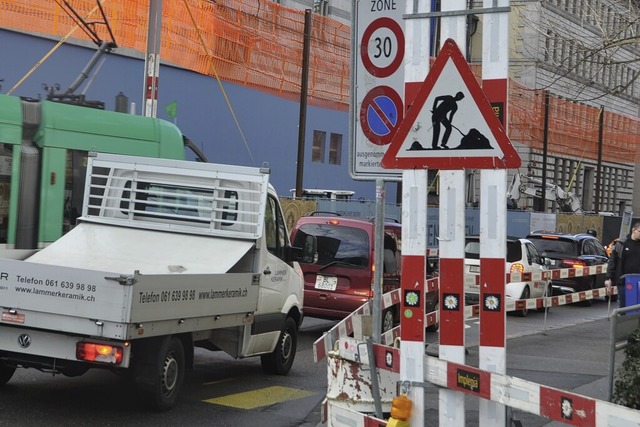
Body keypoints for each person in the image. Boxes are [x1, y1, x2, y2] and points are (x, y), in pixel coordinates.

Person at [605, 221, 640, 308]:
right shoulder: (621, 244)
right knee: (623, 306)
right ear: (633, 230)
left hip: (639, 281)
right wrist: (608, 278)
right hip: (624, 281)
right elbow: (613, 261)